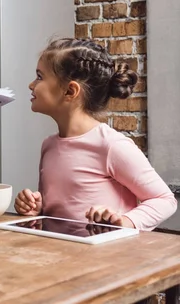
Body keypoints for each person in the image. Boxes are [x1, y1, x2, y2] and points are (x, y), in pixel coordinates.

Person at [14, 37, 177, 231]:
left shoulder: (112, 146)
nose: (31, 85)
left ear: (70, 91)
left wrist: (125, 222)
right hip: (61, 258)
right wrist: (36, 208)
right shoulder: (48, 145)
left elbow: (164, 199)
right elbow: (59, 211)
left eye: (39, 77)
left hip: (106, 259)